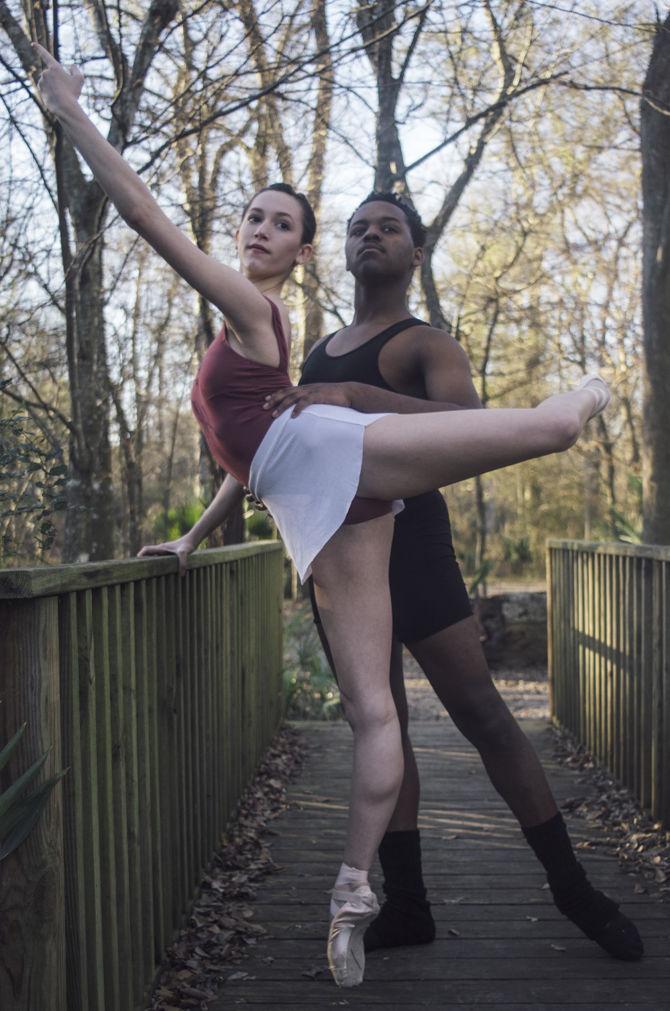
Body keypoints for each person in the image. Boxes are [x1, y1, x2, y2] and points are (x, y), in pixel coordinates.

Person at [34, 44, 616, 989]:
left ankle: (585, 397)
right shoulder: (281, 340)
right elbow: (255, 454)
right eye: (258, 217)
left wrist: (69, 111)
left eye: (285, 225)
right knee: (369, 709)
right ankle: (373, 897)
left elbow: (144, 216)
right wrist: (189, 535)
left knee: (480, 676)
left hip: (368, 502)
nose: (265, 232)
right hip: (321, 509)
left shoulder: (339, 325)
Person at [264, 192, 644, 964]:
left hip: (416, 551)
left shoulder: (427, 344)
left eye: (389, 228)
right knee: (382, 726)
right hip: (339, 556)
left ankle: (574, 889)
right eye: (358, 229)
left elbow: (462, 434)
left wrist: (353, 397)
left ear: (416, 252)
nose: (371, 236)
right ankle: (409, 907)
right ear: (339, 251)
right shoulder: (315, 352)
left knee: (481, 711)